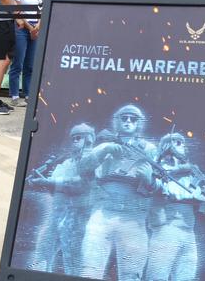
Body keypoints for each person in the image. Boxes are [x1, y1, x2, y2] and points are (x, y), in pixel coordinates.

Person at [78, 104, 156, 279]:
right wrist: (104, 150)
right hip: (102, 212)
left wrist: (149, 179)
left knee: (131, 273)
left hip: (133, 215)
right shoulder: (105, 144)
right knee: (90, 269)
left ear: (139, 123)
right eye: (124, 118)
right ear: (117, 121)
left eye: (133, 119)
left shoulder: (149, 149)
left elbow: (160, 187)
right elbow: (83, 169)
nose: (128, 122)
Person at [147, 132, 205, 281]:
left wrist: (203, 192)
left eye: (181, 142)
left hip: (188, 230)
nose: (181, 145)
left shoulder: (190, 170)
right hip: (167, 228)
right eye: (176, 142)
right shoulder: (159, 165)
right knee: (158, 276)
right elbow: (162, 189)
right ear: (166, 145)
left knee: (186, 275)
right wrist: (193, 194)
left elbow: (199, 193)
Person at [26, 123, 96, 274]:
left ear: (89, 139)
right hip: (56, 216)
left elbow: (80, 186)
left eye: (79, 138)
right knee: (41, 257)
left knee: (73, 263)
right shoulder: (65, 163)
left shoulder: (94, 161)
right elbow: (55, 190)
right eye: (73, 138)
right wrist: (40, 181)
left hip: (77, 219)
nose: (75, 141)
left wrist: (48, 182)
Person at [9, 0, 42, 108]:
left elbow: (40, 10)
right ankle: (15, 95)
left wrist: (38, 26)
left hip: (35, 28)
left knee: (30, 65)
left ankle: (28, 94)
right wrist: (30, 28)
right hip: (21, 28)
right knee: (18, 63)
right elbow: (17, 12)